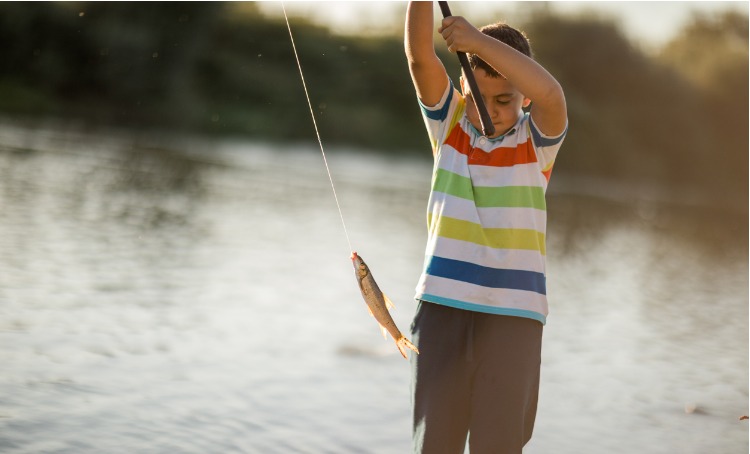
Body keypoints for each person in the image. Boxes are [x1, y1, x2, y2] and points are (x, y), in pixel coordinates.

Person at [404, 2, 568, 453]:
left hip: (514, 317)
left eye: (505, 100)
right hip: (442, 308)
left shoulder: (535, 143)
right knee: (435, 443)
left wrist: (476, 40)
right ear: (462, 87)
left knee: (499, 444)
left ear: (524, 97)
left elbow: (553, 96)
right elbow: (420, 57)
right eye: (479, 96)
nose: (491, 110)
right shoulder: (450, 125)